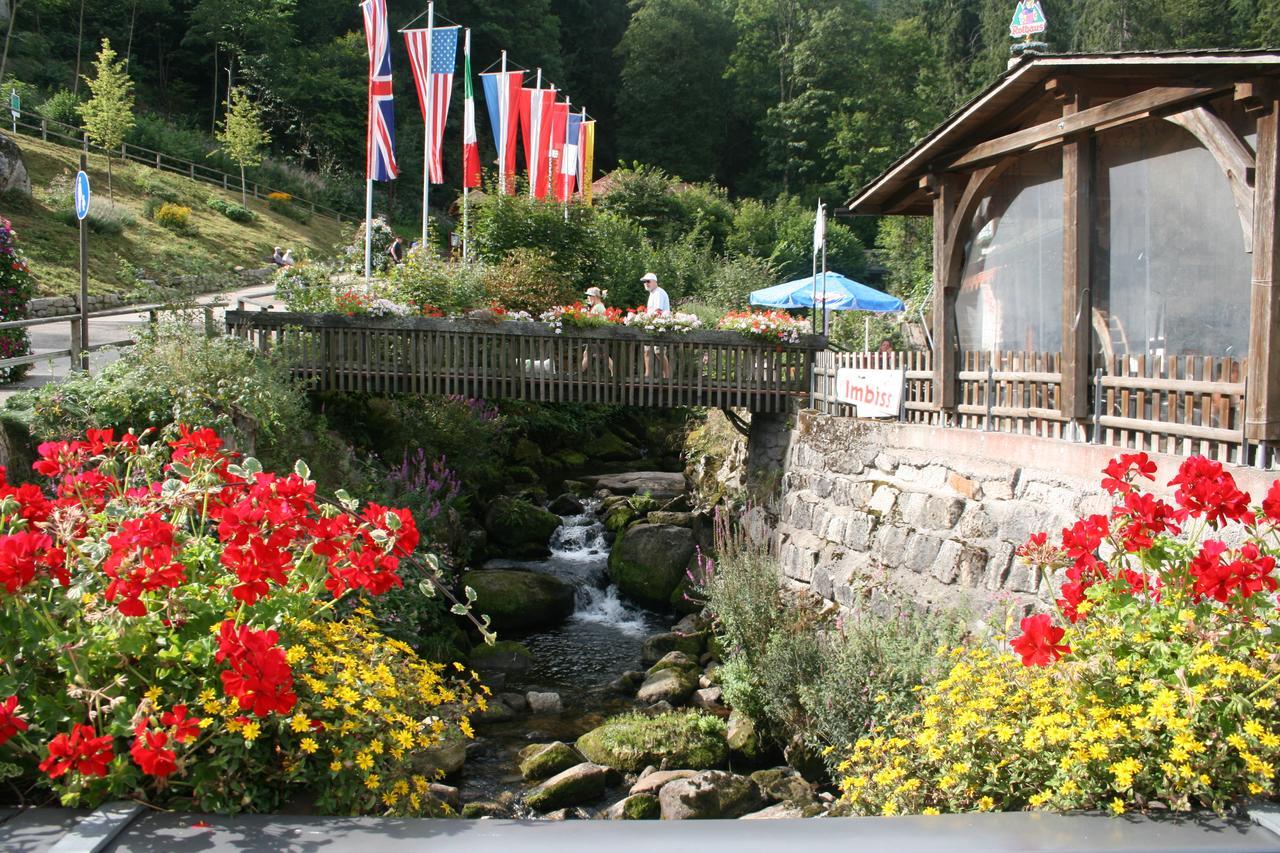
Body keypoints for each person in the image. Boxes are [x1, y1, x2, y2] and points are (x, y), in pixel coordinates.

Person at [641, 272, 671, 378]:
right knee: (647, 350)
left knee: (659, 352)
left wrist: (644, 319)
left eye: (648, 281)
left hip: (659, 326)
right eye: (644, 282)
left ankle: (667, 376)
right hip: (652, 326)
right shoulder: (652, 293)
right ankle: (647, 376)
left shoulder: (658, 292)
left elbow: (658, 311)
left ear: (654, 281)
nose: (646, 283)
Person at [582, 286, 614, 374]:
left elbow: (590, 320)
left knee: (601, 355)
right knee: (588, 354)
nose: (588, 298)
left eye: (589, 296)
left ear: (594, 296)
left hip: (598, 335)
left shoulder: (598, 307)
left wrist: (585, 315)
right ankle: (614, 373)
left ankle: (577, 373)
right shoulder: (600, 306)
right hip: (599, 335)